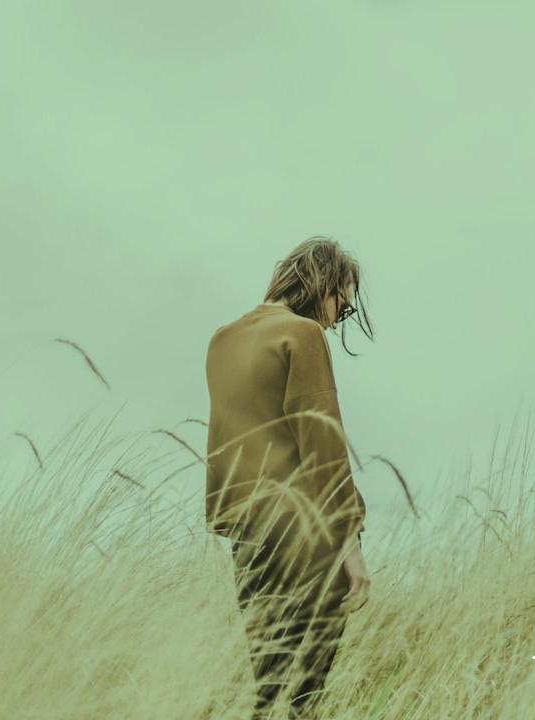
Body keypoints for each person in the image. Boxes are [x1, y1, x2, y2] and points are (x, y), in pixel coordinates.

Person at [204, 236, 375, 720]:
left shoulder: (223, 339)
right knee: (306, 694)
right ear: (321, 284)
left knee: (268, 683)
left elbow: (225, 444)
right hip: (305, 532)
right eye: (340, 305)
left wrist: (232, 522)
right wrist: (351, 544)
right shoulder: (301, 334)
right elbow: (322, 443)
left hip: (248, 535)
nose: (334, 319)